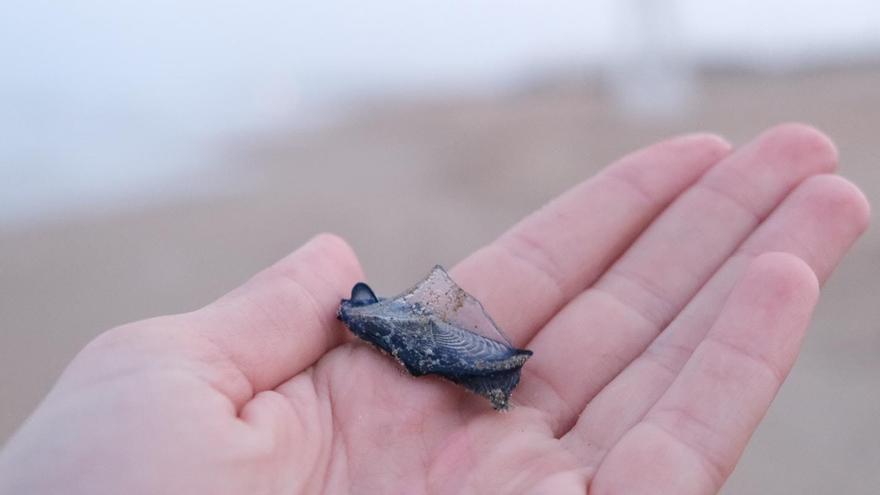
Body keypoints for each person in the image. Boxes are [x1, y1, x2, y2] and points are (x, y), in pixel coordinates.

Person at [0, 124, 869, 494]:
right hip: (451, 352)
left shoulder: (382, 321)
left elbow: (401, 327)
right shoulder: (375, 322)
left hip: (462, 354)